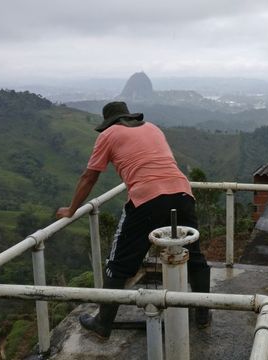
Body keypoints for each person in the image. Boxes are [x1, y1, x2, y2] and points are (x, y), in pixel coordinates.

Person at [56, 101, 211, 339]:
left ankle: (103, 323)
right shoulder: (153, 128)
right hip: (182, 193)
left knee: (119, 263)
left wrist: (71, 209)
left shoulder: (108, 135)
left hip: (147, 200)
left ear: (108, 122)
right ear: (128, 116)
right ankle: (203, 315)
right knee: (194, 256)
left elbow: (89, 177)